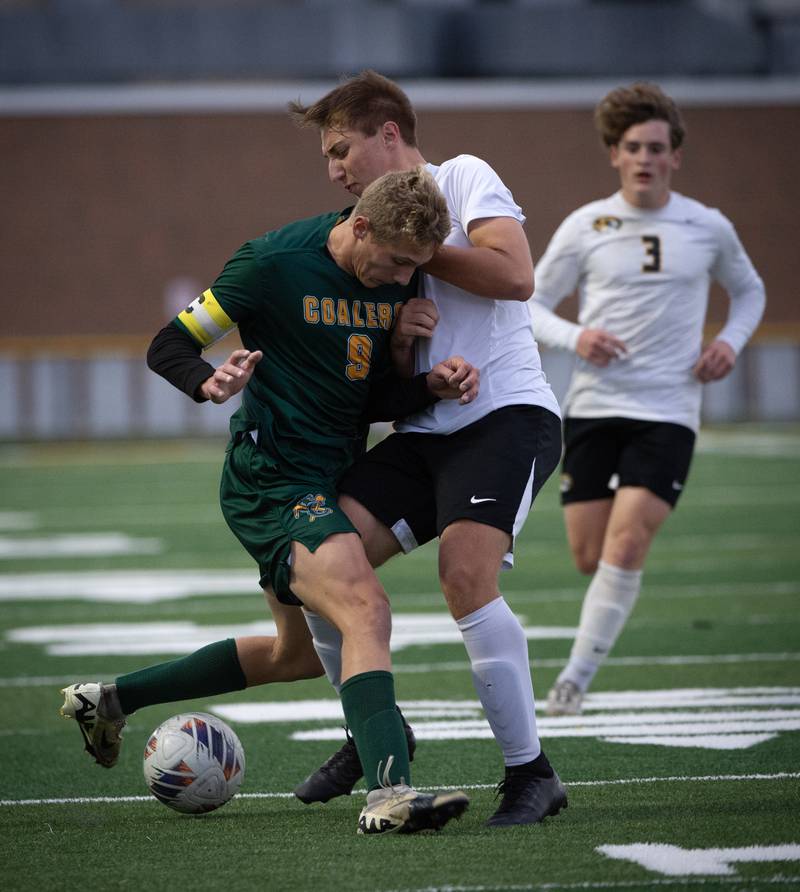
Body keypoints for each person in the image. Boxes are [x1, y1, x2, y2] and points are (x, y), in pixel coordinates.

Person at [61, 167, 478, 835]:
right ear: (359, 226)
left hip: (329, 475)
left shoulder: (395, 280)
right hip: (273, 478)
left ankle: (110, 700)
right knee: (366, 608)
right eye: (398, 262)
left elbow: (363, 399)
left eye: (416, 268)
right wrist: (209, 380)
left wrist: (427, 381)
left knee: (299, 656)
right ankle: (391, 794)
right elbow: (168, 345)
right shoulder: (271, 263)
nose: (405, 279)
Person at [286, 70, 567, 828]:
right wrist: (406, 358)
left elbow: (515, 275)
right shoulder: (358, 233)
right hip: (425, 430)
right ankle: (373, 731)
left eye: (342, 149)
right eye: (327, 159)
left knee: (464, 576)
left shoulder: (460, 177)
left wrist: (415, 242)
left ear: (388, 134)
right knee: (309, 559)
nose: (335, 168)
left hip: (504, 416)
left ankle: (531, 773)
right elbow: (391, 373)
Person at [528, 83, 766, 717]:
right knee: (589, 556)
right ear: (615, 154)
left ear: (675, 156)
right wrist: (579, 337)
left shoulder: (707, 225)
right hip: (594, 406)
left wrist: (731, 343)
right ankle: (591, 643)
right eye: (633, 147)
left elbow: (750, 292)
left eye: (656, 148)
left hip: (668, 410)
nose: (645, 158)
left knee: (627, 544)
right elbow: (531, 303)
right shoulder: (587, 224)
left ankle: (573, 682)